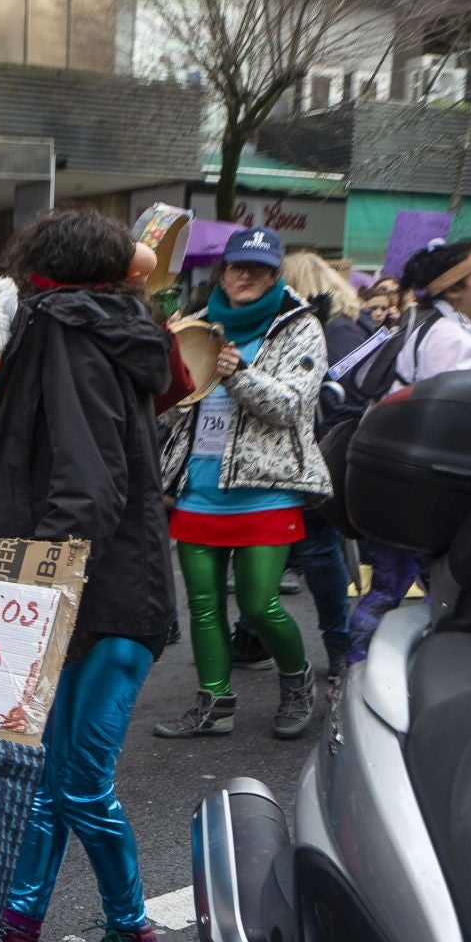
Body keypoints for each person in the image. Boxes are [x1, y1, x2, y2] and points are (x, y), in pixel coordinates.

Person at [0, 209, 176, 942]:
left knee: (79, 780)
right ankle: (18, 940)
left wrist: (37, 585)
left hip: (105, 596)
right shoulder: (89, 325)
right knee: (45, 777)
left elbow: (88, 484)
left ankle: (135, 935)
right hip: (90, 587)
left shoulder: (63, 328)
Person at [155, 227, 331, 740]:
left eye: (259, 268)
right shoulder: (199, 323)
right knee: (203, 605)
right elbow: (173, 411)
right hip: (199, 489)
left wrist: (239, 374)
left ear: (276, 274)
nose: (247, 276)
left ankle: (297, 681)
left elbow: (291, 406)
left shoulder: (299, 326)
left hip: (265, 488)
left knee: (259, 604)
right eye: (238, 267)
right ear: (223, 272)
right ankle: (215, 704)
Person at [223, 252, 361, 685]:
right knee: (294, 553)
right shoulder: (350, 328)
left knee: (312, 552)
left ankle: (334, 645)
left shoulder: (310, 327)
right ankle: (270, 639)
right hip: (327, 453)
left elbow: (296, 400)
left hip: (303, 455)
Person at [347, 239, 471, 665]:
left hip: (391, 479)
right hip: (423, 489)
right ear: (454, 289)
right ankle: (374, 680)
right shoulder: (451, 336)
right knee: (436, 594)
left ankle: (354, 675)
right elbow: (457, 420)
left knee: (391, 587)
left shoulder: (419, 321)